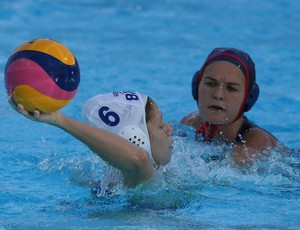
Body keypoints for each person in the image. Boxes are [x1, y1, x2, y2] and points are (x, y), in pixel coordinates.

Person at [10, 91, 173, 188]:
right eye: (160, 125)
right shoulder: (142, 176)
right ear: (135, 138)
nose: (170, 129)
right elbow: (139, 159)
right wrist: (59, 119)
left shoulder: (105, 182)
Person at [181, 48, 280, 166]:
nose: (218, 94)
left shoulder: (254, 144)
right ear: (196, 87)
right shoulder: (190, 122)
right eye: (211, 83)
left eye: (231, 88)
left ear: (247, 98)